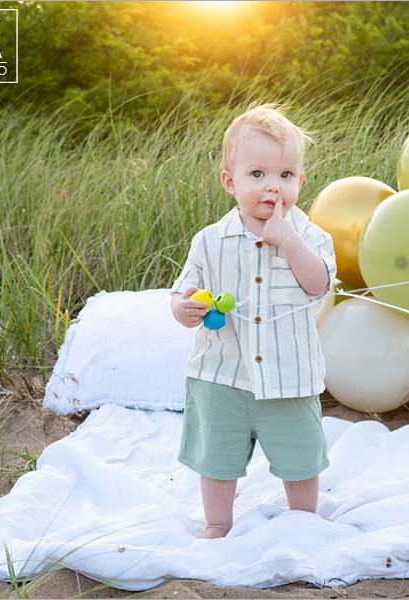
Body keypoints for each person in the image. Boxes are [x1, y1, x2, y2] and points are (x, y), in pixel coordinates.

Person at [170, 104, 336, 539]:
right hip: (222, 374)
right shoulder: (209, 240)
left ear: (300, 180)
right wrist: (182, 308)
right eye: (257, 174)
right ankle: (218, 522)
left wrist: (289, 240)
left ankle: (303, 518)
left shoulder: (313, 237)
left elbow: (319, 286)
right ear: (231, 181)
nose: (272, 187)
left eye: (285, 175)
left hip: (289, 376)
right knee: (217, 457)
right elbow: (185, 289)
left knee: (300, 455)